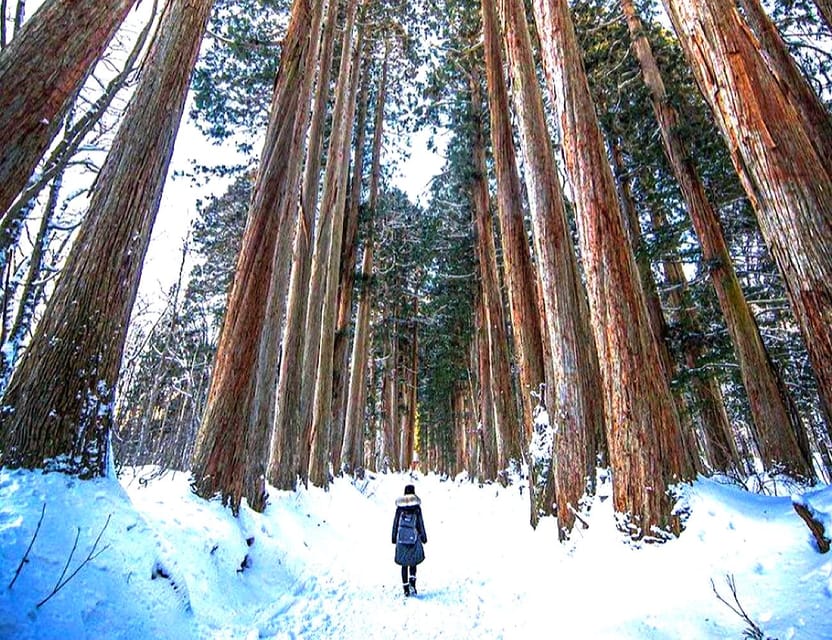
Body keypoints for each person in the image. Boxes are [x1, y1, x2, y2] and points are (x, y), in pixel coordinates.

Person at [391, 483, 427, 596]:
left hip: (401, 540)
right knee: (413, 562)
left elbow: (395, 524)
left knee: (403, 564)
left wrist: (393, 537)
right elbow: (420, 524)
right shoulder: (416, 508)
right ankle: (413, 584)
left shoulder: (400, 508)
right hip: (414, 539)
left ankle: (405, 588)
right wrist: (424, 537)